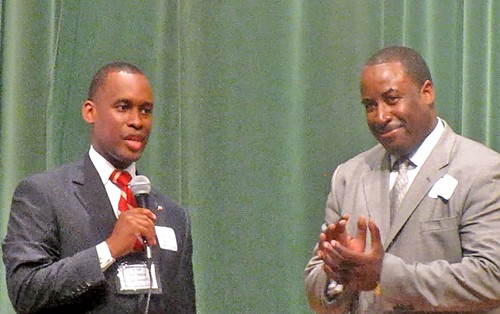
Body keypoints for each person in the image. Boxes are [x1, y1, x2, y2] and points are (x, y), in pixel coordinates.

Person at [304, 46, 500, 313]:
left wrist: (383, 276)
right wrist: (340, 274)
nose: (381, 116)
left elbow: (491, 278)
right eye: (370, 105)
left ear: (426, 92)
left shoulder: (481, 170)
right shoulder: (349, 176)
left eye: (392, 99)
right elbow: (316, 289)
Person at [2, 62, 196, 313]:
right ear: (90, 112)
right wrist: (110, 249)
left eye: (146, 110)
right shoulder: (44, 195)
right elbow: (25, 291)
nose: (137, 121)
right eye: (123, 107)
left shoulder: (173, 216)